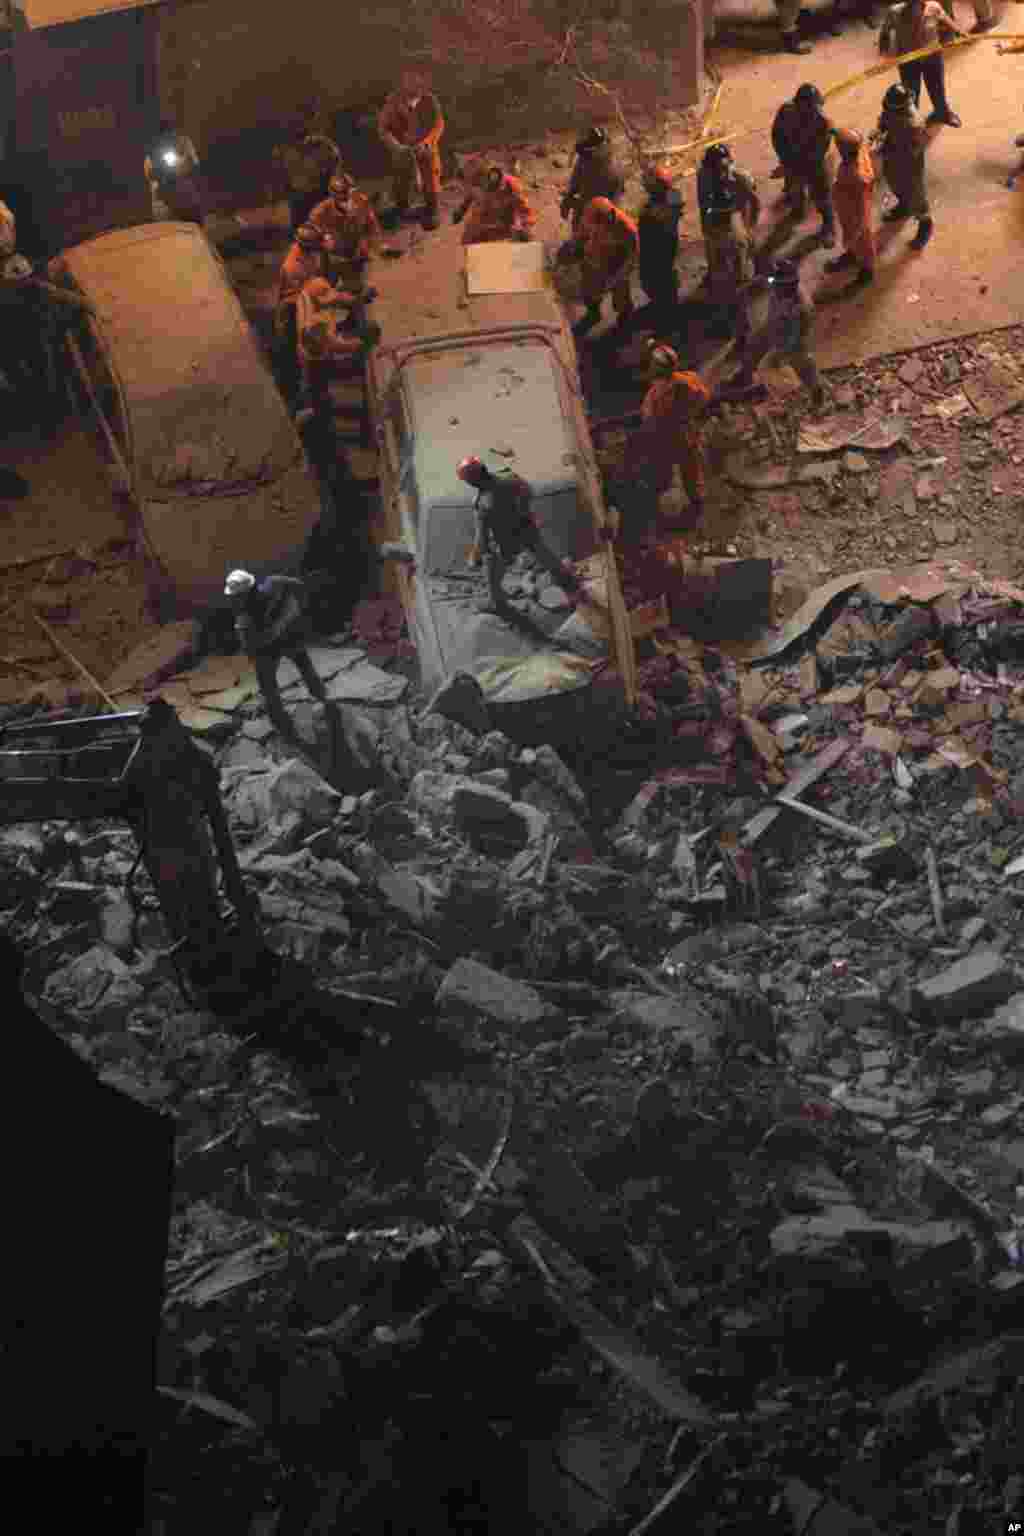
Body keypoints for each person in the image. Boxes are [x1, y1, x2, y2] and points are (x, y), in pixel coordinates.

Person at [456, 456, 581, 616]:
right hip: (526, 527)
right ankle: (570, 584)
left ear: (471, 482)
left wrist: (474, 557)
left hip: (506, 541)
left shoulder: (482, 504)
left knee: (491, 562)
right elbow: (528, 491)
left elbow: (482, 538)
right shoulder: (506, 475)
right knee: (544, 555)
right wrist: (523, 510)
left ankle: (496, 602)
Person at [224, 569, 332, 735]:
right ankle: (321, 696)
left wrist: (259, 645)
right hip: (288, 636)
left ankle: (279, 718)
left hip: (273, 646)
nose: (233, 600)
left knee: (268, 682)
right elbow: (300, 587)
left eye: (235, 597)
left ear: (244, 594)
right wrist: (295, 611)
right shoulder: (275, 583)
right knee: (302, 666)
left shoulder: (244, 619)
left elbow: (250, 647)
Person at [626, 342, 712, 532]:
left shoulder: (659, 394)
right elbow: (704, 397)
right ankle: (696, 498)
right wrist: (689, 414)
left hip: (666, 437)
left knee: (663, 468)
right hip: (686, 431)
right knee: (690, 467)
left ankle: (660, 498)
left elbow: (650, 419)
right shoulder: (689, 379)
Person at [727, 258, 827, 410]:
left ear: (788, 285)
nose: (774, 286)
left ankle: (816, 391)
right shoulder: (778, 284)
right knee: (754, 345)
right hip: (774, 324)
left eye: (777, 284)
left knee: (802, 363)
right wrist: (747, 288)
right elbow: (765, 280)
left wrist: (782, 350)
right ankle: (745, 375)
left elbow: (802, 330)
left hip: (793, 335)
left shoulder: (801, 306)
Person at [879, 0, 970, 126]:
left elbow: (946, 19)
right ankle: (912, 121)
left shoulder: (933, 7)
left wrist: (960, 32)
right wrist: (883, 55)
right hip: (908, 60)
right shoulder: (894, 12)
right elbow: (884, 34)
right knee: (911, 92)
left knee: (937, 86)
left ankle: (942, 112)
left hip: (933, 56)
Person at [697, 144, 759, 326]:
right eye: (714, 168)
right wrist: (706, 229)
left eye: (722, 168)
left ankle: (741, 320)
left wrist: (750, 228)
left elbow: (754, 203)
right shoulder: (703, 176)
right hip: (713, 231)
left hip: (733, 228)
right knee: (718, 274)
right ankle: (723, 310)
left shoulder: (742, 179)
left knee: (739, 278)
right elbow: (702, 204)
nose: (719, 174)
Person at [771, 84, 837, 246]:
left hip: (814, 163)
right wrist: (785, 158)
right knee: (795, 189)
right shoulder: (786, 112)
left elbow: (819, 151)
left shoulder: (823, 122)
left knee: (821, 195)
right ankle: (797, 211)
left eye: (816, 107)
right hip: (792, 159)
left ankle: (829, 226)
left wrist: (792, 164)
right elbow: (777, 136)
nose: (814, 111)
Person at [870, 83, 934, 248]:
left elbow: (920, 146)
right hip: (892, 158)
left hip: (910, 166)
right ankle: (904, 206)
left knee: (916, 196)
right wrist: (880, 132)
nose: (887, 110)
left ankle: (925, 225)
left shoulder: (914, 124)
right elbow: (884, 122)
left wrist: (893, 147)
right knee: (894, 183)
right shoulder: (891, 110)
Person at [378, 76, 445, 230]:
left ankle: (432, 209)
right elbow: (383, 128)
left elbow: (438, 124)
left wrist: (427, 142)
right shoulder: (393, 102)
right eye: (409, 82)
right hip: (403, 150)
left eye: (417, 83)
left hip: (426, 149)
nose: (414, 86)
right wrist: (396, 146)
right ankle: (401, 209)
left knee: (430, 178)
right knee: (401, 179)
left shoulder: (430, 100)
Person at [574, 196, 638, 338]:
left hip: (615, 265)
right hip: (594, 261)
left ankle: (625, 320)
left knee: (621, 299)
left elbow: (632, 258)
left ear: (605, 220)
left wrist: (617, 278)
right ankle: (593, 312)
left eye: (596, 225)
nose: (590, 226)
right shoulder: (590, 216)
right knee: (590, 292)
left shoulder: (627, 229)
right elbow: (581, 235)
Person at [272, 108, 343, 231]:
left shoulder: (324, 146)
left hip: (319, 197)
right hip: (301, 201)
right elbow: (282, 175)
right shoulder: (286, 150)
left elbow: (335, 168)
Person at [826, 128, 878, 286]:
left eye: (838, 145)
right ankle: (853, 254)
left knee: (862, 242)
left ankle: (867, 270)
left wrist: (858, 228)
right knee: (852, 239)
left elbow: (862, 207)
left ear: (843, 150)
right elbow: (864, 146)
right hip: (847, 210)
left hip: (856, 215)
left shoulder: (856, 177)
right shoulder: (858, 153)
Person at [309, 172, 382, 279]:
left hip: (355, 253)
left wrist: (375, 244)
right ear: (333, 195)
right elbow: (311, 227)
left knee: (358, 290)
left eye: (349, 192)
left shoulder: (362, 202)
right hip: (332, 257)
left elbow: (372, 226)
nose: (347, 197)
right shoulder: (321, 210)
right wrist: (324, 237)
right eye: (342, 194)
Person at [637, 165, 683, 319]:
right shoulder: (672, 195)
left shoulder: (659, 207)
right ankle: (663, 304)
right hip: (663, 246)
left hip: (659, 249)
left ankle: (667, 312)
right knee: (659, 278)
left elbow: (662, 219)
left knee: (659, 279)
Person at [560, 126, 626, 233]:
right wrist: (567, 200)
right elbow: (574, 185)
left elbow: (615, 201)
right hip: (584, 215)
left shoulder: (615, 168)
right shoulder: (584, 160)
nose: (587, 153)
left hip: (603, 218)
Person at [452, 163, 535, 244]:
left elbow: (524, 208)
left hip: (506, 220)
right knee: (470, 234)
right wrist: (461, 210)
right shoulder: (480, 183)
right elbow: (471, 195)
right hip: (487, 217)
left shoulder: (512, 185)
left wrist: (526, 227)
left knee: (518, 233)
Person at [144, 119, 205, 223]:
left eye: (171, 134)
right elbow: (150, 175)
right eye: (164, 136)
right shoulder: (153, 152)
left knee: (193, 223)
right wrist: (161, 172)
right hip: (166, 198)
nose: (169, 138)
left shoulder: (184, 143)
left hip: (186, 194)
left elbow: (194, 166)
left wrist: (180, 168)